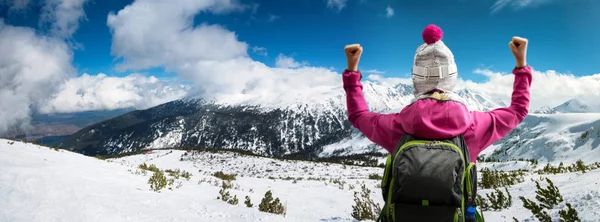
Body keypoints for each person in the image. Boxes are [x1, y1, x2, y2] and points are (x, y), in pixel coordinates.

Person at [341, 24, 532, 163]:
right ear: (452, 77)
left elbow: (358, 116)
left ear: (416, 78)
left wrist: (352, 71)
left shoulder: (397, 127)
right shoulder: (473, 127)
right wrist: (521, 64)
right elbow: (518, 111)